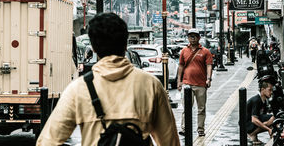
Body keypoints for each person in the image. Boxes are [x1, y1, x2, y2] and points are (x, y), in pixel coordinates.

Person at [37, 13, 180, 146]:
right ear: (125, 45)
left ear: (93, 48)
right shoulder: (151, 85)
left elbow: (48, 141)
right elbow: (169, 141)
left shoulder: (78, 89)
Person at [177, 28, 213, 137]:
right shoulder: (184, 51)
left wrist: (209, 78)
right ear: (188, 38)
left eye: (194, 36)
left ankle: (200, 129)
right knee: (186, 108)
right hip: (187, 84)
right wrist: (179, 81)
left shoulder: (205, 51)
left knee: (201, 108)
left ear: (199, 38)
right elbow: (181, 66)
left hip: (201, 84)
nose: (192, 38)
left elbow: (209, 66)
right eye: (190, 36)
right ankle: (184, 128)